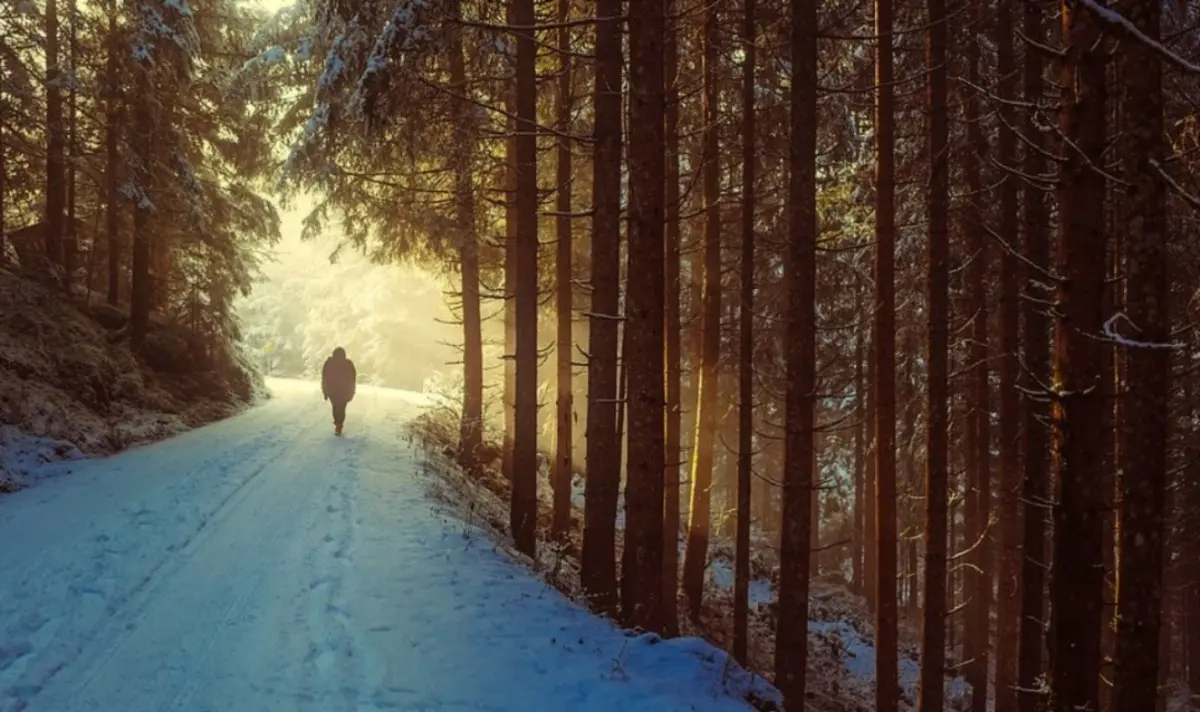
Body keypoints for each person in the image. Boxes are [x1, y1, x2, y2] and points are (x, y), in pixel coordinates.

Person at [321, 347, 357, 435]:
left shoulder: (329, 363)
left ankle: (338, 423)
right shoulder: (348, 363)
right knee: (341, 408)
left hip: (332, 390)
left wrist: (325, 391)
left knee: (335, 407)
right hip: (344, 391)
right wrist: (352, 391)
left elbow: (324, 377)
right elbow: (353, 378)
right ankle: (339, 424)